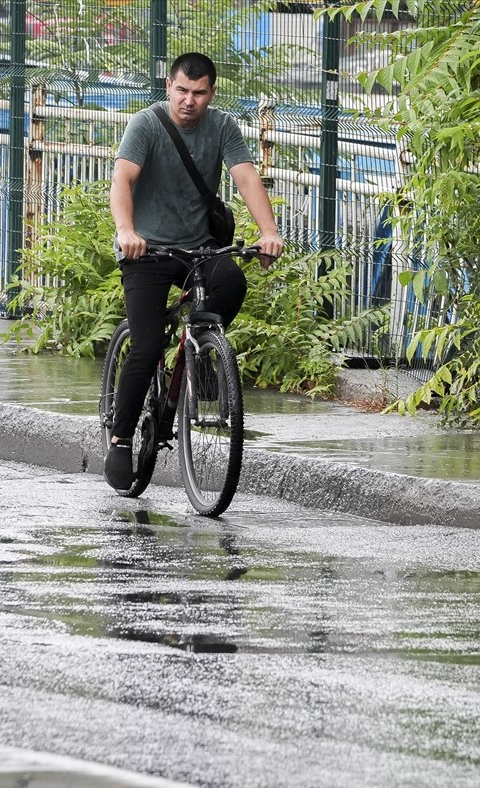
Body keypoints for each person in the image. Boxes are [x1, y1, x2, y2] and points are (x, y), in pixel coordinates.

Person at [105, 52, 284, 490]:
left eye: (199, 92)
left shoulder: (222, 127)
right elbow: (122, 181)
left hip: (198, 251)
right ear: (168, 86)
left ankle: (198, 359)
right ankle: (122, 437)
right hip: (145, 251)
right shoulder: (146, 125)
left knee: (231, 281)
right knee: (146, 347)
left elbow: (245, 178)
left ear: (212, 93)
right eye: (182, 90)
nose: (189, 100)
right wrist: (127, 230)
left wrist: (269, 232)